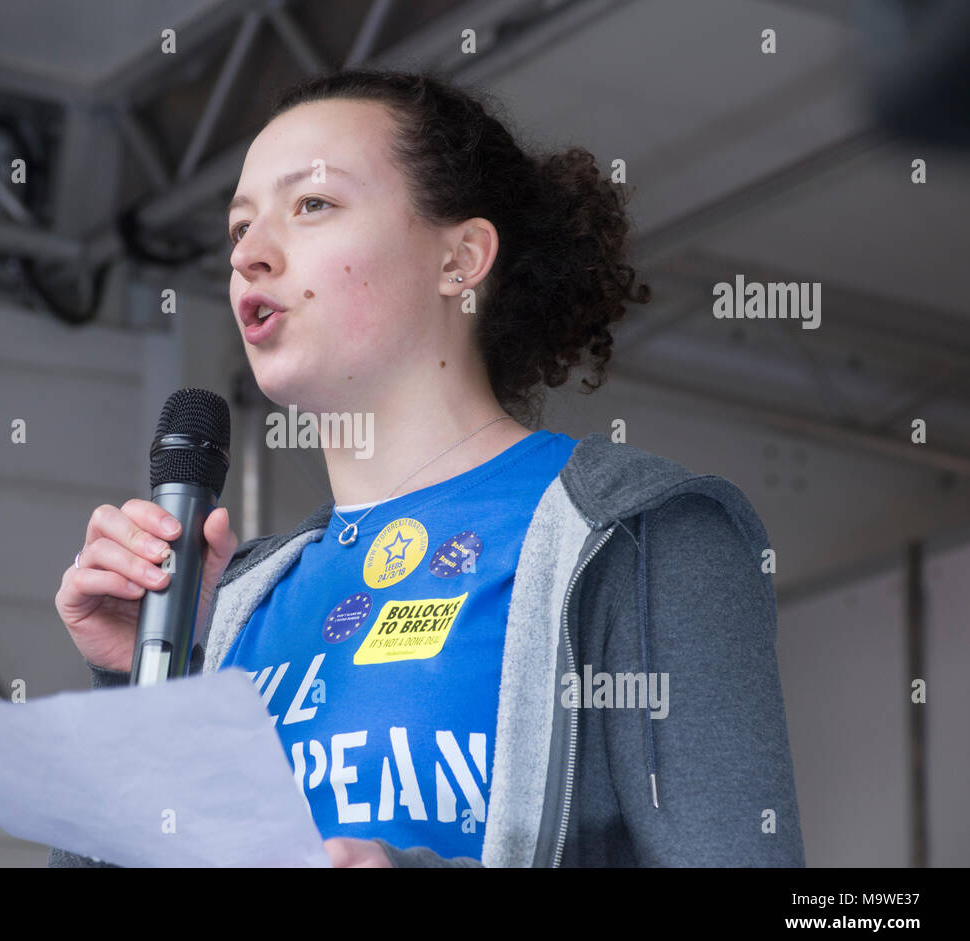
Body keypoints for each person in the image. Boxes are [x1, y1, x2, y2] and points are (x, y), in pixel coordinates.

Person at [49, 68, 805, 868]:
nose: (251, 256)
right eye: (239, 229)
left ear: (462, 258)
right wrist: (136, 681)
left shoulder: (638, 535)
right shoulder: (235, 605)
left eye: (312, 205)